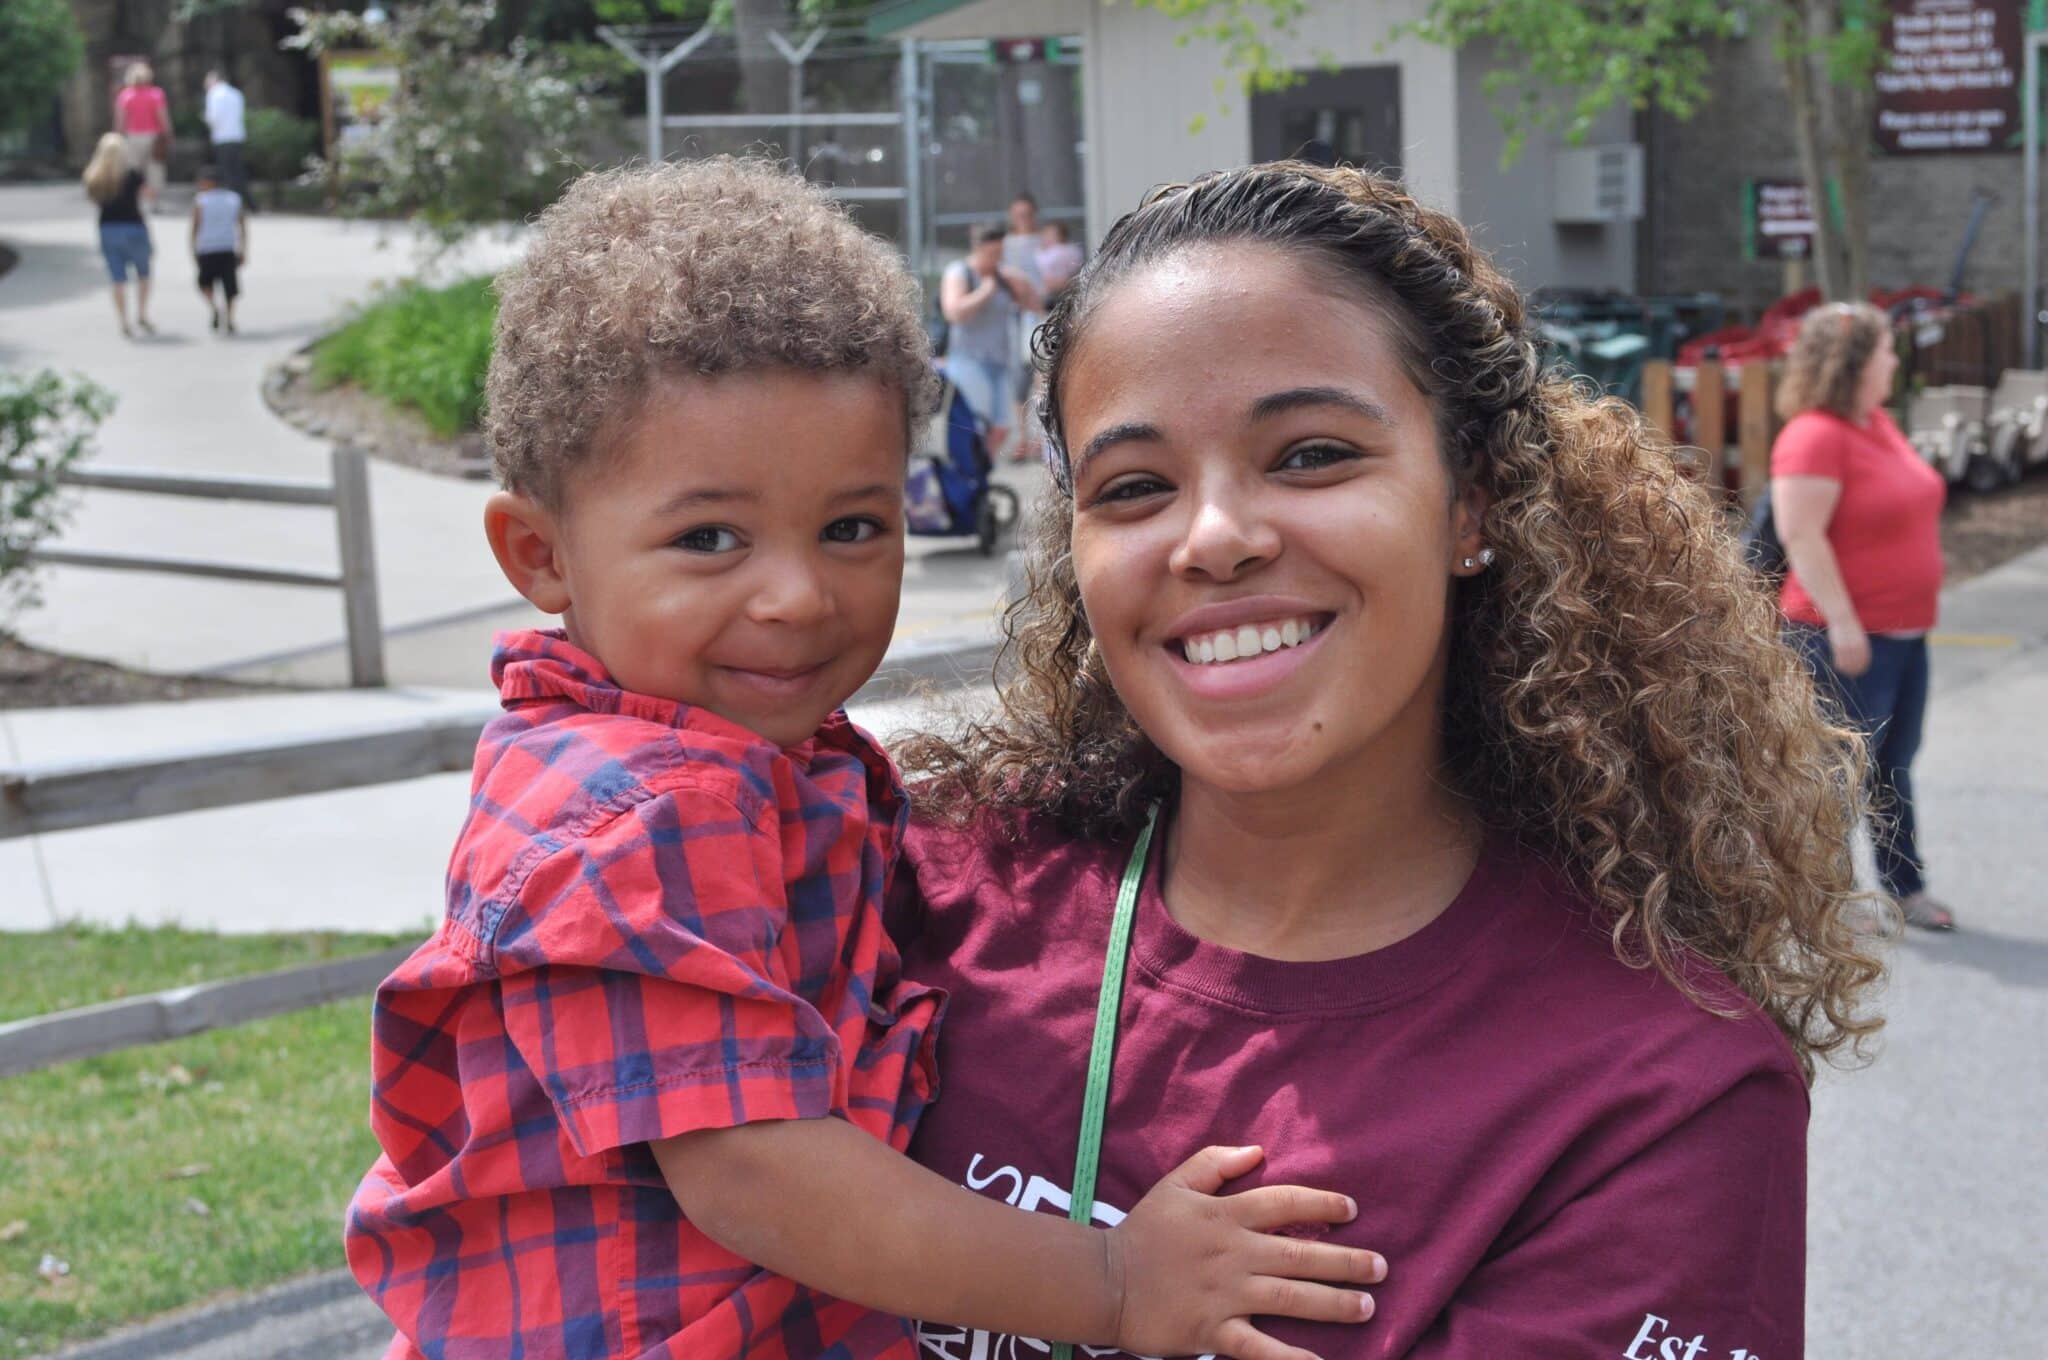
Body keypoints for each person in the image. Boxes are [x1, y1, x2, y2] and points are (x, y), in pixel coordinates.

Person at [343, 159, 1387, 1360]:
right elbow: (754, 1167)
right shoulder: (637, 808)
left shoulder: (753, 758)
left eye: (851, 528)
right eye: (707, 538)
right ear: (539, 553)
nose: (794, 596)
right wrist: (1108, 1278)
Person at [894, 161, 1886, 1358]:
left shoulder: (1656, 1097)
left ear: (1469, 504)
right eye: (1135, 487)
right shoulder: (915, 895)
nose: (1212, 537)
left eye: (1311, 454)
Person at [1771, 302, 1955, 931]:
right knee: (1831, 775)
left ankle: (1904, 887)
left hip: (1904, 633)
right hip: (1843, 638)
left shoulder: (1875, 423)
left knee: (1891, 766)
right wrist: (1843, 622)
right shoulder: (1815, 434)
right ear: (1855, 361)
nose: (1895, 361)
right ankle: (1822, 897)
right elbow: (1802, 536)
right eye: (1886, 351)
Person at [938, 222, 1042, 457]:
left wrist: (1022, 284)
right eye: (991, 253)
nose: (996, 258)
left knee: (1001, 429)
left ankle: (980, 469)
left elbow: (1035, 305)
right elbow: (953, 312)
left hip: (999, 362)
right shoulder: (959, 272)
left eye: (1000, 253)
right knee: (976, 423)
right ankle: (970, 472)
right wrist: (985, 291)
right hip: (968, 360)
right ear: (978, 248)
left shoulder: (1002, 276)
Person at [83, 132, 156, 338]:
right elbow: (149, 195)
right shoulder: (133, 173)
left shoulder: (94, 176)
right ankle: (142, 313)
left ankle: (123, 321)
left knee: (118, 278)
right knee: (143, 273)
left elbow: (93, 200)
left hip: (108, 229)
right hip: (134, 226)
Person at [190, 166, 246, 334]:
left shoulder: (201, 200)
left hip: (208, 247)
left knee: (205, 284)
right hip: (226, 247)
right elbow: (242, 225)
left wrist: (193, 248)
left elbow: (195, 226)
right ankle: (226, 316)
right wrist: (243, 248)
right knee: (229, 286)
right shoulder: (233, 199)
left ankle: (218, 310)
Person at [113, 63, 172, 210]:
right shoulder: (156, 94)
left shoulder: (125, 95)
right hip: (153, 136)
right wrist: (168, 133)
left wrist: (118, 136)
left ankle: (135, 201)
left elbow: (120, 120)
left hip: (133, 137)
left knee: (133, 170)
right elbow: (162, 117)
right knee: (155, 170)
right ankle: (154, 202)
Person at [202, 70, 249, 204]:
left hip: (222, 137)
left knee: (227, 173)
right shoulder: (236, 93)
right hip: (237, 136)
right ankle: (247, 202)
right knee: (238, 172)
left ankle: (233, 202)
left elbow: (213, 117)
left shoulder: (214, 93)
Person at [1035, 220, 1083, 304]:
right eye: (1046, 235)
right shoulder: (1073, 250)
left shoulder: (1067, 250)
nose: (1047, 238)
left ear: (1062, 236)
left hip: (1066, 289)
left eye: (1052, 235)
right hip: (1049, 292)